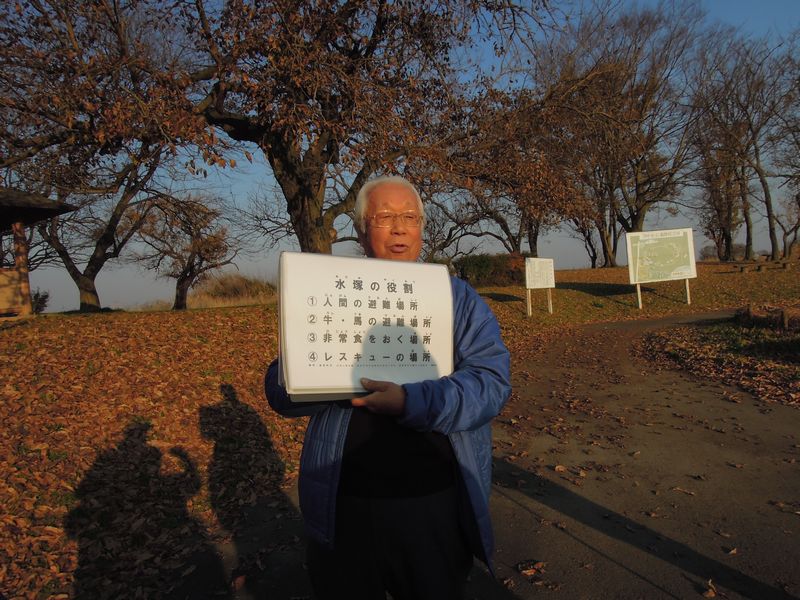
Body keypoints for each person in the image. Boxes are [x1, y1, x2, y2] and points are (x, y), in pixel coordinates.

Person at [265, 175, 511, 600]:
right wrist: (311, 373)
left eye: (409, 217)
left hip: (433, 501)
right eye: (384, 218)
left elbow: (491, 383)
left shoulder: (456, 298)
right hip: (344, 504)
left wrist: (411, 401)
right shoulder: (327, 291)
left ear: (421, 228)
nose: (399, 228)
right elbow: (279, 391)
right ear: (361, 232)